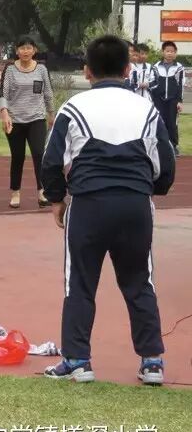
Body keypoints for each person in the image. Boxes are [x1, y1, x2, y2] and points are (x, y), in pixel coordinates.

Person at [41, 35, 174, 385]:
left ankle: (77, 360)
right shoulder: (146, 108)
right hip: (135, 204)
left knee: (80, 282)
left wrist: (56, 199)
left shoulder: (73, 107)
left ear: (87, 71)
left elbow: (51, 160)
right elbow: (166, 163)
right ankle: (152, 361)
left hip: (88, 204)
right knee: (139, 281)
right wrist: (149, 190)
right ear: (128, 70)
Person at [0, 36, 54, 209]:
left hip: (36, 118)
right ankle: (15, 192)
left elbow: (48, 93)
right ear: (17, 51)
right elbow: (3, 94)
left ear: (34, 50)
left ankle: (42, 191)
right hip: (15, 119)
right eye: (22, 48)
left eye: (29, 48)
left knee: (39, 154)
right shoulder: (10, 69)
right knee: (18, 156)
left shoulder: (42, 69)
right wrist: (4, 113)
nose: (25, 51)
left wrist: (51, 114)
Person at [149, 41, 183, 154]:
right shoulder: (156, 67)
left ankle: (173, 146)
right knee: (159, 122)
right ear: (163, 52)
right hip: (158, 100)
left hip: (173, 100)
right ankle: (160, 146)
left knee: (172, 123)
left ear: (175, 53)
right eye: (167, 51)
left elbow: (180, 85)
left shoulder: (179, 67)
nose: (170, 53)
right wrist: (153, 99)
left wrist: (179, 101)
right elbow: (152, 83)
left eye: (172, 51)